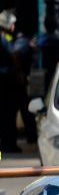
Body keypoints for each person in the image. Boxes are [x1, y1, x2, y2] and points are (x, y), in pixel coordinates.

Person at [0, 9, 21, 152]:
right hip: (6, 81)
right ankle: (9, 145)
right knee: (9, 113)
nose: (14, 27)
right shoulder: (4, 38)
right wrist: (19, 72)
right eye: (12, 24)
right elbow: (13, 55)